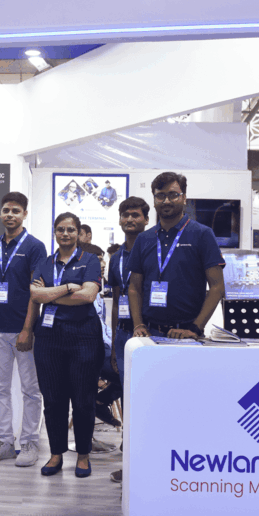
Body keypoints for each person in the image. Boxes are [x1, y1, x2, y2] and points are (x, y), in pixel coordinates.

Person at [29, 212, 104, 478]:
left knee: (83, 400)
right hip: (49, 338)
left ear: (78, 232)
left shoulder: (90, 260)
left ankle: (83, 455)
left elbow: (88, 296)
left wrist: (50, 294)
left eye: (70, 229)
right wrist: (69, 287)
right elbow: (34, 294)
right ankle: (56, 454)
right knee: (53, 399)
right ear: (55, 232)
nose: (65, 234)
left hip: (84, 336)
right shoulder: (45, 262)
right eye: (60, 229)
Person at [0, 192, 47, 467]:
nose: (10, 215)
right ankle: (4, 442)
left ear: (24, 214)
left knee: (31, 390)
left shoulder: (35, 247)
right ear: (1, 214)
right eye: (6, 210)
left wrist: (27, 329)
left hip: (24, 330)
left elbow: (36, 292)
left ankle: (30, 442)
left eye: (16, 211)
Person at [129, 172, 225, 339]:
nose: (166, 201)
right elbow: (134, 288)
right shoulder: (144, 239)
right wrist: (138, 324)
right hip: (150, 334)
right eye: (160, 196)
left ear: (184, 198)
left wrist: (196, 328)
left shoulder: (202, 234)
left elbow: (217, 287)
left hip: (187, 334)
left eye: (173, 195)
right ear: (154, 200)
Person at [105, 196, 150, 483]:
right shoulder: (116, 257)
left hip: (148, 331)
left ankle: (146, 459)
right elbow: (117, 299)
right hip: (123, 332)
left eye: (136, 215)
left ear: (146, 219)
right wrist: (113, 342)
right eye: (126, 215)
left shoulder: (153, 250)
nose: (130, 220)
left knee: (147, 395)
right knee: (128, 393)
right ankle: (130, 455)